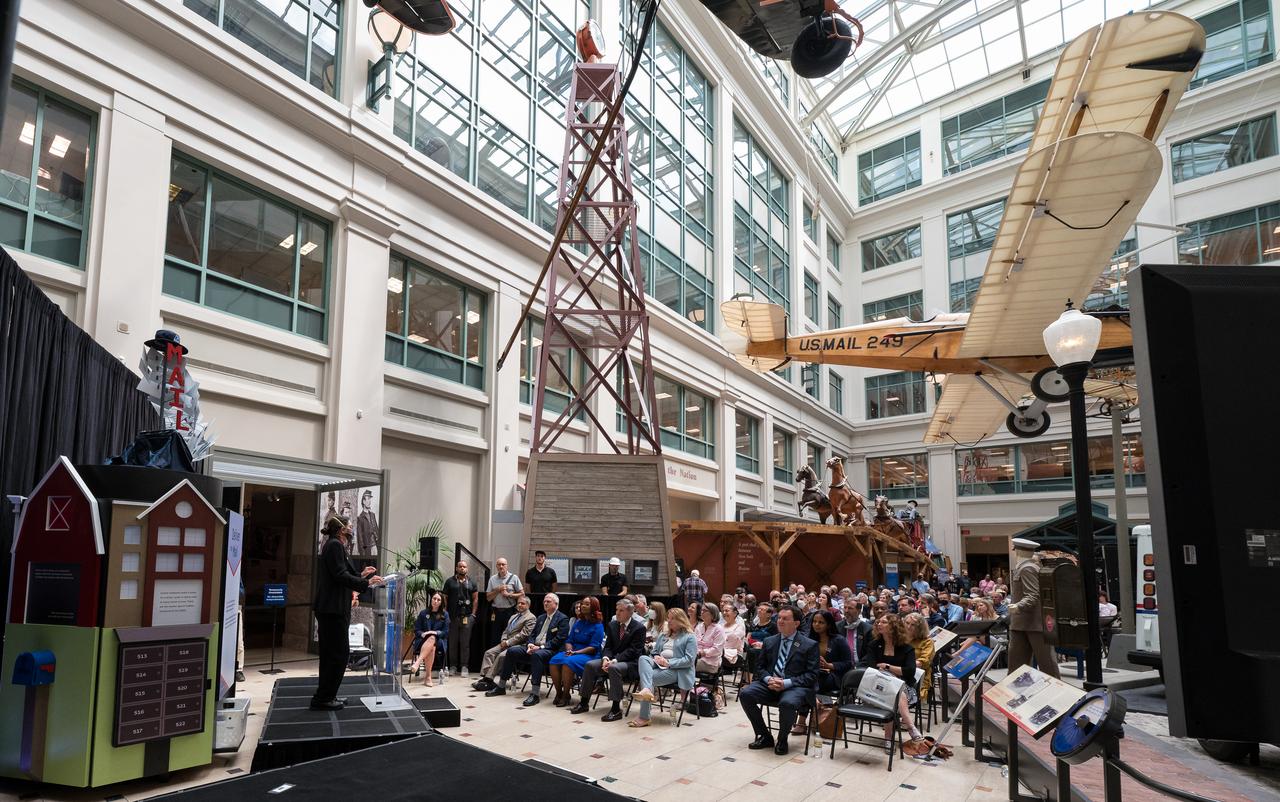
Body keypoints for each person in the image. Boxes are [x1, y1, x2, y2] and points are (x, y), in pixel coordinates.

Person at [311, 516, 382, 710]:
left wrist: (361, 575)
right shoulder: (334, 545)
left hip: (334, 608)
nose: (352, 528)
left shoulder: (336, 544)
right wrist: (366, 583)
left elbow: (340, 574)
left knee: (334, 654)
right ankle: (324, 698)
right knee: (337, 655)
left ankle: (327, 695)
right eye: (350, 526)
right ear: (342, 529)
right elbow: (340, 576)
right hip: (332, 609)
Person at [737, 605, 818, 755]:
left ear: (796, 623)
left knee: (787, 703)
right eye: (779, 618)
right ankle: (765, 736)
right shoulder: (770, 641)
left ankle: (782, 739)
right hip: (770, 683)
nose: (780, 621)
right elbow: (760, 668)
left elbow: (811, 675)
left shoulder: (809, 645)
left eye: (785, 619)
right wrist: (769, 679)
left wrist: (785, 683)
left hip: (794, 686)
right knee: (746, 694)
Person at [573, 598, 647, 719]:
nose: (617, 613)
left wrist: (615, 660)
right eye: (617, 610)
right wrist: (606, 658)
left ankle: (616, 709)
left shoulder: (639, 628)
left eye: (621, 610)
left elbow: (633, 651)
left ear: (630, 612)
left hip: (630, 663)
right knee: (590, 665)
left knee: (614, 668)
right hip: (612, 661)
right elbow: (607, 647)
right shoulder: (612, 625)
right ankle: (584, 702)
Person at [489, 593, 570, 703]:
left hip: (550, 650)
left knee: (537, 655)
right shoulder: (541, 617)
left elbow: (559, 640)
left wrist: (540, 647)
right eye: (544, 601)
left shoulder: (562, 619)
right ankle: (501, 686)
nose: (545, 603)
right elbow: (532, 635)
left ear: (556, 604)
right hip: (534, 647)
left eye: (548, 601)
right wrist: (530, 644)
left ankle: (535, 694)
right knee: (512, 651)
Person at [629, 608, 697, 728]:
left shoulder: (689, 637)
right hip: (659, 664)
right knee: (643, 658)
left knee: (646, 680)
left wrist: (668, 663)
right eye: (668, 618)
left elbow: (689, 660)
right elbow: (654, 652)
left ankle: (644, 716)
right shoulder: (664, 634)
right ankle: (647, 693)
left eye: (672, 619)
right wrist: (657, 658)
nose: (669, 621)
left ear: (681, 620)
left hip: (678, 670)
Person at [867, 612, 923, 748]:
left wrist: (887, 667)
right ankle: (911, 727)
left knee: (894, 694)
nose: (879, 624)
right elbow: (871, 667)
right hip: (878, 687)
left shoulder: (906, 648)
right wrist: (895, 671)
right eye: (878, 622)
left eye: (884, 622)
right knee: (892, 692)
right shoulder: (874, 645)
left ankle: (888, 738)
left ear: (894, 626)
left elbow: (910, 671)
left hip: (905, 688)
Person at [1007, 538, 1060, 678]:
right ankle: (1016, 694)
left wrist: (1018, 606)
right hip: (1022, 623)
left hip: (1033, 623)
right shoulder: (1026, 567)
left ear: (1017, 551)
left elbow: (1033, 595)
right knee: (1017, 666)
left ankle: (1059, 696)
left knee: (1047, 665)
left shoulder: (1028, 568)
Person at [548, 596, 604, 706]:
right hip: (573, 652)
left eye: (587, 604)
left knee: (567, 663)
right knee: (554, 661)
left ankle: (566, 695)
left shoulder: (598, 626)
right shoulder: (578, 622)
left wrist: (576, 653)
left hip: (589, 655)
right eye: (583, 603)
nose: (583, 606)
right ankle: (559, 693)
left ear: (594, 607)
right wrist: (569, 649)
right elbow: (569, 640)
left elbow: (593, 647)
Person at [473, 595, 535, 692]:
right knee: (489, 653)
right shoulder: (513, 616)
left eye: (522, 603)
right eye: (518, 603)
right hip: (505, 642)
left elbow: (524, 635)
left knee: (501, 656)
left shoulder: (531, 618)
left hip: (518, 645)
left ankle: (488, 680)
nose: (519, 605)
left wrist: (508, 642)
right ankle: (487, 680)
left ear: (528, 605)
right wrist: (503, 640)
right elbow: (506, 630)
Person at [443, 559, 478, 677]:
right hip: (453, 617)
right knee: (452, 643)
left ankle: (464, 666)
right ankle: (453, 666)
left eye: (464, 567)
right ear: (456, 568)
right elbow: (445, 598)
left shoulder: (472, 582)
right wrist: (446, 614)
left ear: (467, 569)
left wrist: (473, 614)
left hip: (467, 617)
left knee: (465, 643)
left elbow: (475, 599)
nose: (462, 568)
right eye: (460, 566)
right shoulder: (449, 581)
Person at [408, 591, 450, 685]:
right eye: (434, 599)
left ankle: (417, 662)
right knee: (432, 647)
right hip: (423, 641)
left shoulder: (445, 615)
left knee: (432, 639)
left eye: (438, 600)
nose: (435, 601)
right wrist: (423, 634)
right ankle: (428, 677)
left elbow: (446, 632)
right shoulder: (423, 613)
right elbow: (417, 630)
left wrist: (435, 633)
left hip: (439, 641)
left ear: (441, 602)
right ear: (431, 600)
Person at [486, 557, 523, 646]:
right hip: (496, 612)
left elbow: (522, 594)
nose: (501, 566)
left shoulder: (514, 578)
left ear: (507, 566)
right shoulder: (492, 579)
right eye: (499, 564)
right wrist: (498, 590)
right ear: (496, 566)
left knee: (509, 637)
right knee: (495, 638)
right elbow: (488, 598)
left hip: (510, 612)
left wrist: (509, 595)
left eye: (503, 564)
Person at [904, 612, 935, 706]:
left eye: (913, 625)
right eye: (907, 623)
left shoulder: (927, 642)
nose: (909, 627)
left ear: (919, 628)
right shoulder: (899, 638)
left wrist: (902, 666)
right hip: (898, 671)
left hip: (918, 675)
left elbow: (923, 662)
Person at [836, 600, 873, 668]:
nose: (846, 611)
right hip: (840, 666)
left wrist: (858, 667)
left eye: (850, 608)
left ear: (858, 611)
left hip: (860, 667)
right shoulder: (837, 627)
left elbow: (870, 653)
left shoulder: (868, 629)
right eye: (845, 607)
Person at [692, 602, 726, 674]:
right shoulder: (699, 626)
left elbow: (716, 650)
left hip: (710, 663)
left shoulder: (719, 629)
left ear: (713, 614)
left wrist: (702, 653)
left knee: (684, 665)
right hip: (696, 658)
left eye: (705, 610)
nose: (702, 612)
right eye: (701, 610)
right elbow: (694, 643)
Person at [720, 602, 747, 673]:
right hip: (722, 652)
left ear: (735, 613)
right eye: (723, 611)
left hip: (735, 654)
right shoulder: (721, 626)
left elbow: (732, 644)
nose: (724, 613)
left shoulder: (739, 627)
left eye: (727, 611)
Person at [356, 489, 379, 556]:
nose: (369, 501)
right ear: (363, 501)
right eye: (368, 499)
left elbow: (376, 530)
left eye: (370, 499)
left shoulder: (372, 515)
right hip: (368, 549)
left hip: (375, 546)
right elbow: (360, 538)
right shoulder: (360, 518)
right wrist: (362, 554)